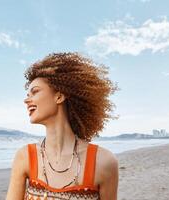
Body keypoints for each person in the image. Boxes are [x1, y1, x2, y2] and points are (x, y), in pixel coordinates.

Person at [6, 52, 119, 200]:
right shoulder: (25, 157)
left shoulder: (104, 162)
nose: (26, 100)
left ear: (59, 96)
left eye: (35, 92)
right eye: (27, 95)